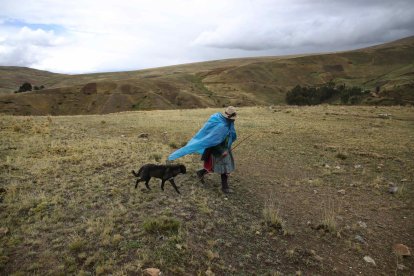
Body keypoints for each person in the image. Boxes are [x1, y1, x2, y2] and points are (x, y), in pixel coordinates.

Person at [168, 106, 237, 193]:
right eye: (232, 119)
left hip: (225, 148)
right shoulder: (222, 126)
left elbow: (227, 137)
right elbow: (213, 141)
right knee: (225, 168)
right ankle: (225, 187)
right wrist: (222, 151)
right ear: (229, 118)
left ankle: (201, 172)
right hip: (218, 150)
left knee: (216, 166)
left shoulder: (227, 123)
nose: (234, 120)